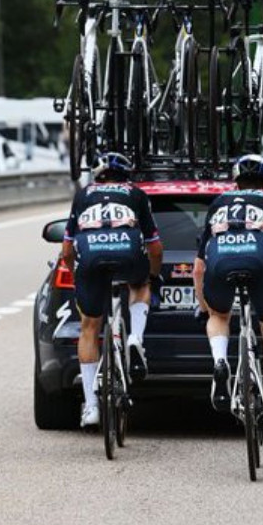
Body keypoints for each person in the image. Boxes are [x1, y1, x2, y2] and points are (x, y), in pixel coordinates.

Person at [192, 154, 263, 435]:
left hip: (219, 263)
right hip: (259, 264)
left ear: (235, 181)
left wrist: (205, 307)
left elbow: (198, 267)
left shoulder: (219, 203)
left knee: (219, 316)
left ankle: (220, 362)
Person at [60, 152, 163, 429]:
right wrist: (153, 275)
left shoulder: (83, 196)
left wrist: (76, 273)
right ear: (125, 174)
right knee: (140, 285)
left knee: (89, 328)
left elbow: (67, 249)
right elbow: (154, 246)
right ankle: (135, 339)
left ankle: (91, 407)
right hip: (128, 253)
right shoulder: (136, 194)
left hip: (91, 258)